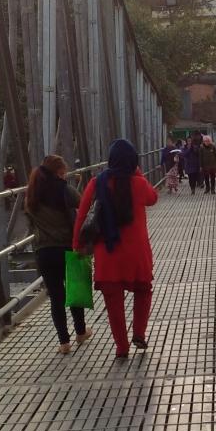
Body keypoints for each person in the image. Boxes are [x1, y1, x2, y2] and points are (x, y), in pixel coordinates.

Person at [73, 138, 158, 359]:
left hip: (107, 254)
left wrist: (77, 247)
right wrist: (138, 174)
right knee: (143, 291)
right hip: (137, 253)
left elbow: (82, 217)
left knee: (113, 303)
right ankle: (139, 333)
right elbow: (153, 198)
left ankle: (122, 347)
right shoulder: (138, 183)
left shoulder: (96, 183)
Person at [25, 154, 91, 355]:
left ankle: (64, 342)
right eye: (63, 173)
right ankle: (81, 332)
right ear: (58, 172)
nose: (65, 176)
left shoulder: (32, 193)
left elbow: (30, 220)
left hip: (44, 251)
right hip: (68, 247)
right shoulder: (64, 189)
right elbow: (84, 204)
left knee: (56, 297)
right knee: (75, 290)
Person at [183, 131, 203, 195]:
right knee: (190, 178)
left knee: (194, 177)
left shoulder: (195, 147)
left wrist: (193, 148)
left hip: (195, 164)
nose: (189, 142)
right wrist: (189, 149)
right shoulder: (185, 148)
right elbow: (184, 154)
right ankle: (192, 188)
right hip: (188, 165)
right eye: (188, 141)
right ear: (186, 141)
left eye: (190, 141)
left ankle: (193, 188)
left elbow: (198, 154)